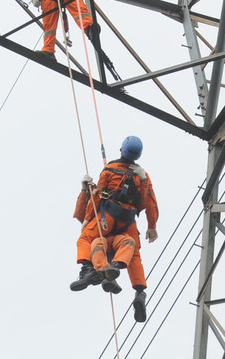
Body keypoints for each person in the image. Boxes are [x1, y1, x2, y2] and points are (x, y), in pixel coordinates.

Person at [70, 136, 159, 323]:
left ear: (121, 149)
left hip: (108, 217)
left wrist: (86, 218)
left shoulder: (110, 169)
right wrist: (152, 226)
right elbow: (148, 201)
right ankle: (139, 292)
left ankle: (90, 270)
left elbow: (97, 196)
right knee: (133, 253)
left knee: (87, 239)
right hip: (129, 222)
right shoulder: (142, 175)